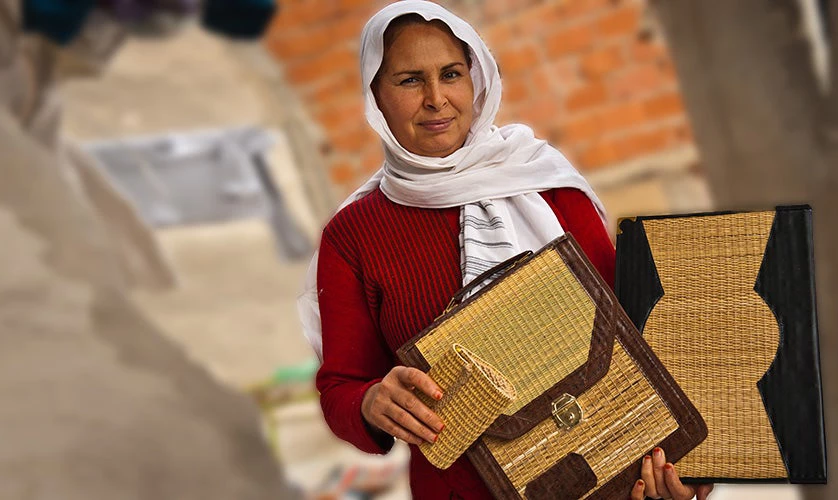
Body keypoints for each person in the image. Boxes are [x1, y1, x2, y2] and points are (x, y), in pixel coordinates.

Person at [298, 2, 713, 499]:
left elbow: (641, 346)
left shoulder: (549, 187)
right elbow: (340, 386)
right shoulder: (355, 235)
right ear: (376, 96)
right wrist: (370, 403)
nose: (436, 99)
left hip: (606, 479)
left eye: (451, 74)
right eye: (409, 80)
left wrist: (688, 477)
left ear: (476, 79)